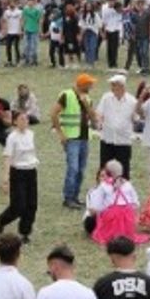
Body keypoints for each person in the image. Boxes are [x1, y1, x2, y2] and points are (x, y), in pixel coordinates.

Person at [52, 73, 97, 210]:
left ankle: (75, 197)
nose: (92, 86)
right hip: (71, 138)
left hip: (84, 137)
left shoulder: (88, 98)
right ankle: (68, 198)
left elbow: (93, 118)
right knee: (73, 168)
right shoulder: (67, 95)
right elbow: (53, 113)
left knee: (81, 170)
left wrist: (86, 104)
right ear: (82, 84)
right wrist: (60, 134)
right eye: (89, 84)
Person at [0, 110, 39, 242]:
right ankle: (1, 221)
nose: (25, 121)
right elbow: (7, 157)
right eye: (21, 119)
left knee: (32, 204)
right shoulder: (12, 137)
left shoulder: (31, 134)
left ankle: (24, 232)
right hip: (18, 172)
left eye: (26, 119)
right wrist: (6, 178)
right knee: (18, 205)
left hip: (31, 171)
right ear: (15, 122)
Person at [97, 74, 138, 179]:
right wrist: (99, 122)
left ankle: (123, 193)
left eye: (114, 85)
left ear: (122, 86)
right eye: (112, 85)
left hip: (123, 140)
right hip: (107, 138)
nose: (112, 88)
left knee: (124, 170)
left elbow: (136, 118)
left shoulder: (132, 101)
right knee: (104, 168)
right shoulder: (106, 97)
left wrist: (134, 117)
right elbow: (99, 113)